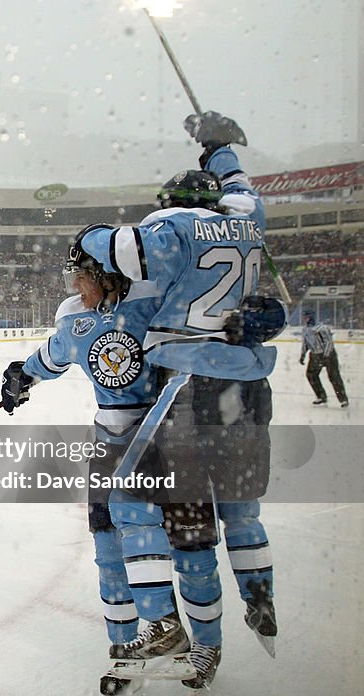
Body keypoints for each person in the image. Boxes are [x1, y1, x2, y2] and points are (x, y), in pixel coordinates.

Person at [75, 111, 285, 687]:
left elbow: (126, 249)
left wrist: (87, 236)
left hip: (187, 390)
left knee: (130, 500)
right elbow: (240, 185)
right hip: (249, 391)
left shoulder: (173, 231)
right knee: (240, 512)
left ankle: (162, 624)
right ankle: (259, 596)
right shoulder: (246, 215)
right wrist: (219, 149)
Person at [1, 227, 223, 693]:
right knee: (110, 556)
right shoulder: (75, 320)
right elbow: (50, 357)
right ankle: (126, 653)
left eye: (80, 279)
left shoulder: (157, 301)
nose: (75, 291)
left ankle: (205, 647)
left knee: (193, 549)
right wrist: (21, 376)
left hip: (172, 437)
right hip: (110, 445)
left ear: (106, 275)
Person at [299, 308, 348, 407]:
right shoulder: (305, 330)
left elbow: (329, 342)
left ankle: (343, 399)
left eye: (306, 316)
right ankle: (321, 396)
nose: (305, 319)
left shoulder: (322, 328)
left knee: (334, 377)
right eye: (304, 316)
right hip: (315, 355)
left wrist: (326, 355)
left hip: (328, 356)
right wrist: (303, 355)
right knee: (311, 375)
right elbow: (305, 343)